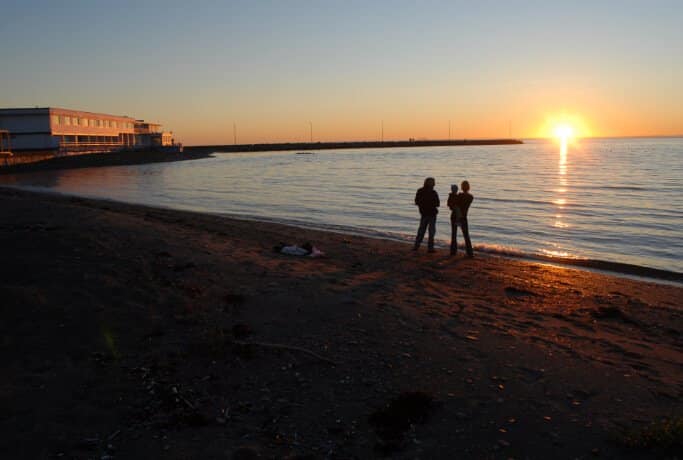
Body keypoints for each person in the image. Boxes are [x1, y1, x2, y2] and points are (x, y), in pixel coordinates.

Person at [413, 177, 440, 252]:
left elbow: (437, 203)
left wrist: (425, 204)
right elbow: (417, 201)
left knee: (429, 231)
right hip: (426, 213)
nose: (433, 183)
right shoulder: (422, 191)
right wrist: (427, 204)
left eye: (433, 182)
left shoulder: (433, 192)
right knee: (423, 231)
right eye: (432, 182)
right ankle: (418, 246)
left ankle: (426, 247)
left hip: (430, 214)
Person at [453, 180, 474, 257]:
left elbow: (455, 204)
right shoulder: (471, 197)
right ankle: (469, 252)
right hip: (464, 216)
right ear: (468, 187)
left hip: (456, 216)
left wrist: (454, 194)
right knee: (466, 235)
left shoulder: (459, 196)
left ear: (461, 187)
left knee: (454, 235)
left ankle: (453, 251)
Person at [447, 183, 463, 255]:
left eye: (455, 189)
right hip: (454, 216)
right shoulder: (452, 196)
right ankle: (453, 250)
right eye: (454, 189)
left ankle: (453, 250)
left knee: (454, 233)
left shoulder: (457, 196)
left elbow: (450, 205)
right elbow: (450, 205)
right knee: (454, 233)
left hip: (454, 215)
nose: (455, 190)